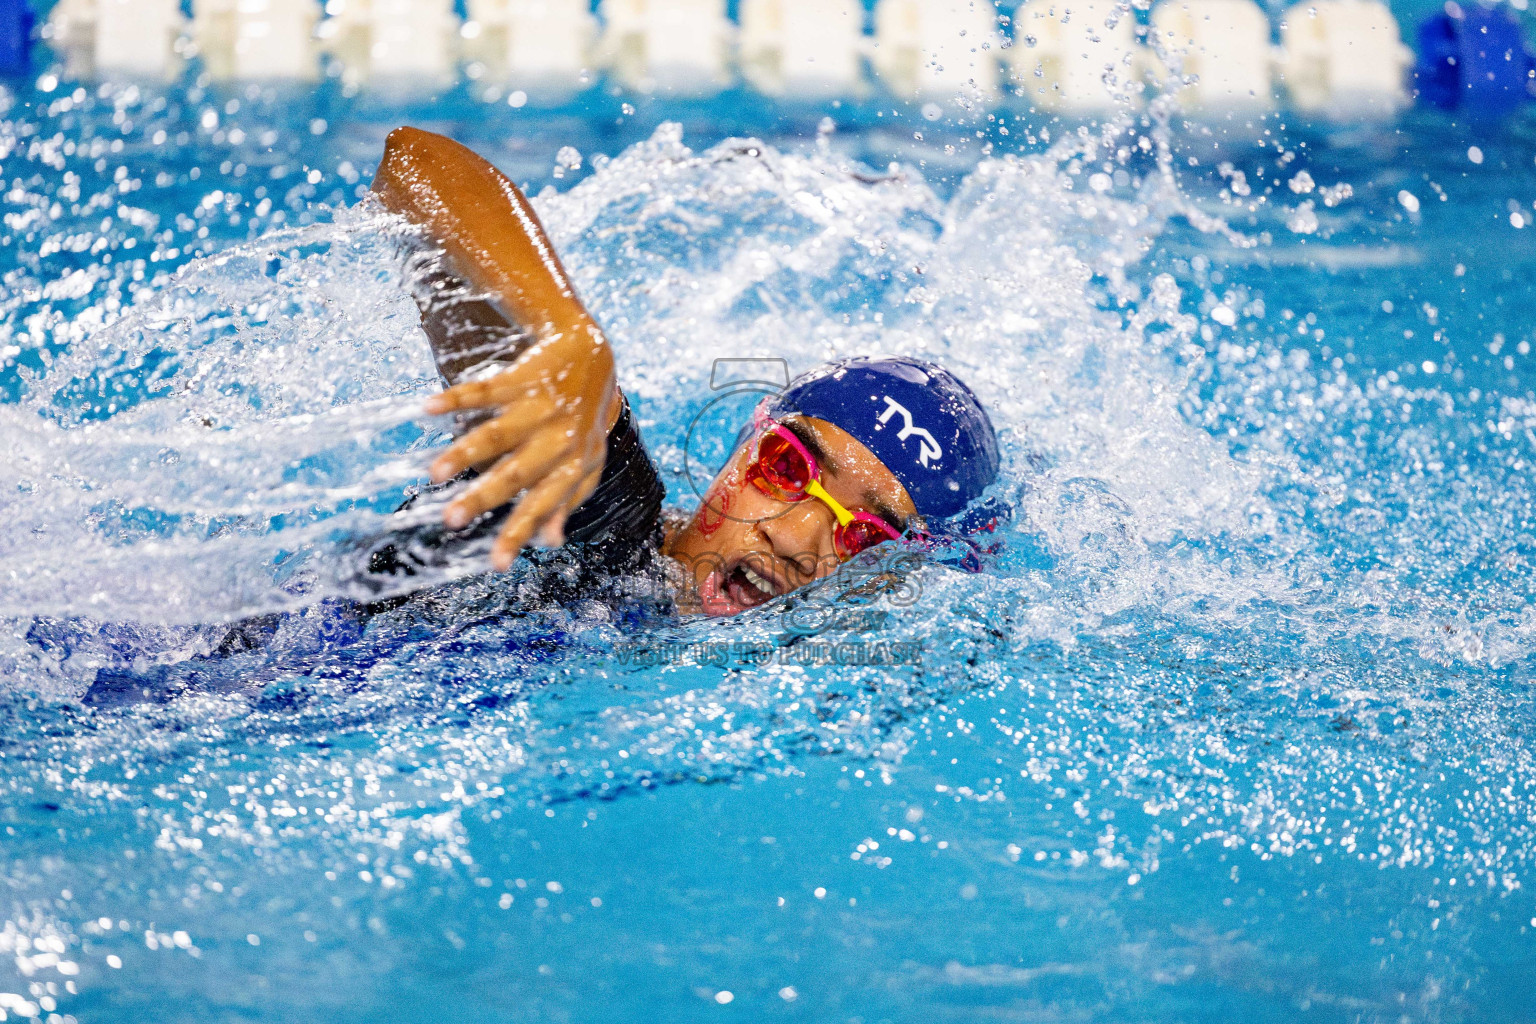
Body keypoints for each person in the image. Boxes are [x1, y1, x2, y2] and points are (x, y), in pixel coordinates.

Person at [363, 127, 1003, 618]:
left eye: (865, 532)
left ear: (895, 578)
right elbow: (415, 162)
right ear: (743, 443)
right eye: (786, 467)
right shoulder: (595, 515)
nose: (790, 535)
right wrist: (564, 334)